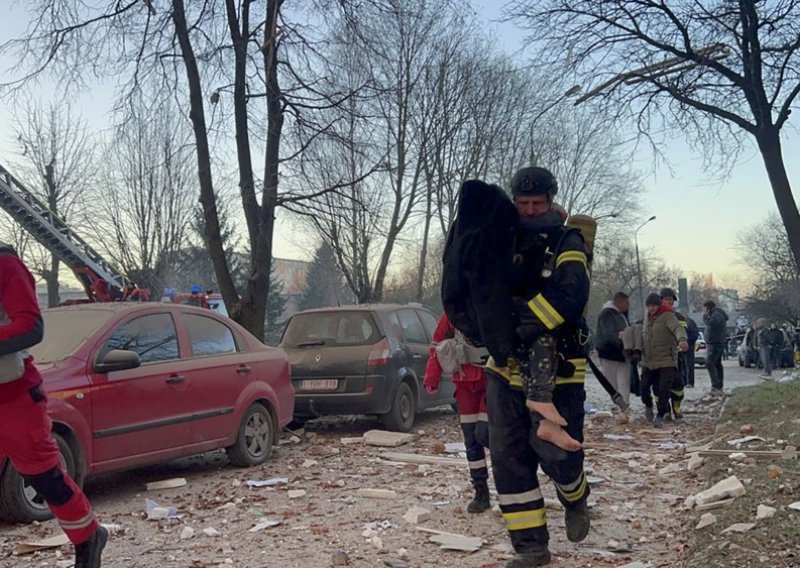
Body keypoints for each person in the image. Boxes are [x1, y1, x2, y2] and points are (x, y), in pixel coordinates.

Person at [484, 167, 592, 567]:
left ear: (551, 200)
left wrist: (524, 321)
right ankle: (531, 548)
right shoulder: (502, 238)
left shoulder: (568, 239)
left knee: (555, 452)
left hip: (559, 368)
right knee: (508, 456)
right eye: (523, 204)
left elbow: (571, 291)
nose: (530, 212)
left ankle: (575, 496)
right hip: (504, 365)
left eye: (538, 204)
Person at [0, 242, 108, 567]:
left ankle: (88, 536)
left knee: (44, 475)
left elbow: (31, 326)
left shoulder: (5, 264)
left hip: (14, 395)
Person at [424, 313, 492, 513]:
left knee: (487, 434)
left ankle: (510, 484)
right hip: (464, 381)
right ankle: (481, 491)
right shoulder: (455, 309)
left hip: (493, 379)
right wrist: (432, 377)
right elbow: (437, 343)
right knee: (471, 440)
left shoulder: (493, 300)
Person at [641, 293, 689, 428]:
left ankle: (661, 415)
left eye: (653, 306)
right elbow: (641, 333)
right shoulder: (647, 318)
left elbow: (677, 328)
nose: (651, 309)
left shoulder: (668, 315)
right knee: (644, 386)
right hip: (649, 360)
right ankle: (648, 405)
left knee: (664, 388)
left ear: (659, 305)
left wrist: (682, 340)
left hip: (667, 359)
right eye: (648, 306)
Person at [595, 292, 631, 423]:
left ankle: (624, 407)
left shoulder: (620, 314)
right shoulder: (607, 314)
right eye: (626, 303)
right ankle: (620, 406)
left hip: (621, 354)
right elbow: (608, 335)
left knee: (624, 381)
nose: (628, 306)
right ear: (619, 302)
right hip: (610, 353)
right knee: (613, 383)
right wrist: (621, 339)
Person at [659, 288, 686, 418]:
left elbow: (689, 333)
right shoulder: (654, 317)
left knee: (678, 385)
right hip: (660, 357)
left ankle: (677, 407)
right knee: (660, 385)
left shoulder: (680, 318)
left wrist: (684, 344)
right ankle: (665, 410)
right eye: (666, 299)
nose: (668, 302)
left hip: (676, 357)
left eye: (671, 300)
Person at [702, 300, 728, 395]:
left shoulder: (716, 315)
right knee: (717, 364)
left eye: (704, 308)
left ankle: (716, 386)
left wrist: (705, 317)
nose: (703, 310)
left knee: (710, 363)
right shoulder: (718, 314)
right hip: (717, 342)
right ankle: (719, 385)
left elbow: (711, 324)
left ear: (708, 308)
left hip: (715, 343)